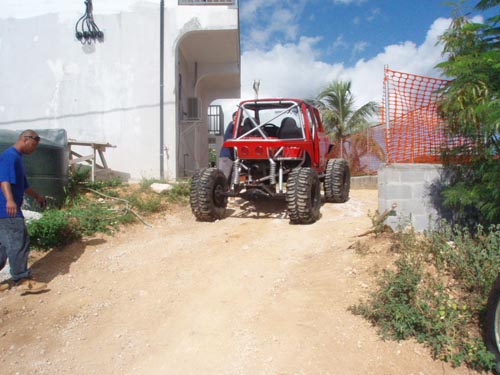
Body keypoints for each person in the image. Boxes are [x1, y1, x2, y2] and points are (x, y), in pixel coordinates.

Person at [0, 130, 48, 292]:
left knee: (3, 246)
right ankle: (22, 279)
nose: (34, 149)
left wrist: (37, 196)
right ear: (25, 139)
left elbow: (24, 185)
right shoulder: (10, 156)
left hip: (4, 209)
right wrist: (10, 200)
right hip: (7, 209)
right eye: (33, 146)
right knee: (19, 241)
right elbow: (4, 179)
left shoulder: (18, 158)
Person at [218, 111, 237, 180]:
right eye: (236, 118)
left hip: (233, 158)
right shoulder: (231, 125)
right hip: (226, 156)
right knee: (224, 178)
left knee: (232, 179)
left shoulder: (237, 129)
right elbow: (226, 138)